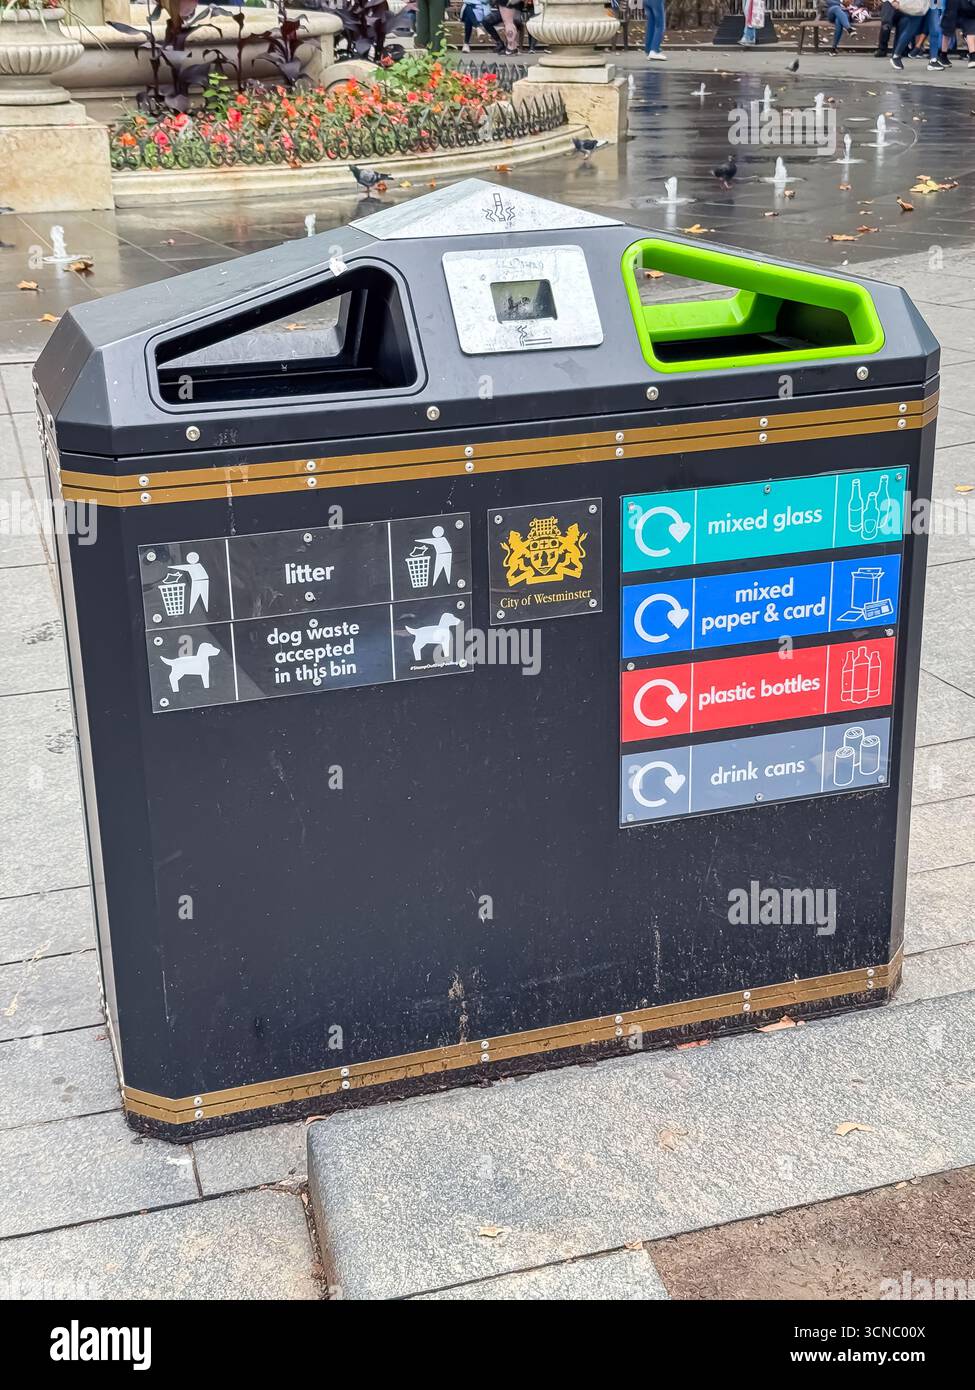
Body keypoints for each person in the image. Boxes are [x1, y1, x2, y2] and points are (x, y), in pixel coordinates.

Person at [889, 0, 931, 66]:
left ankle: (920, 49)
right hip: (916, 6)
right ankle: (896, 55)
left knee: (926, 26)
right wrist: (893, 1)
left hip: (927, 5)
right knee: (911, 29)